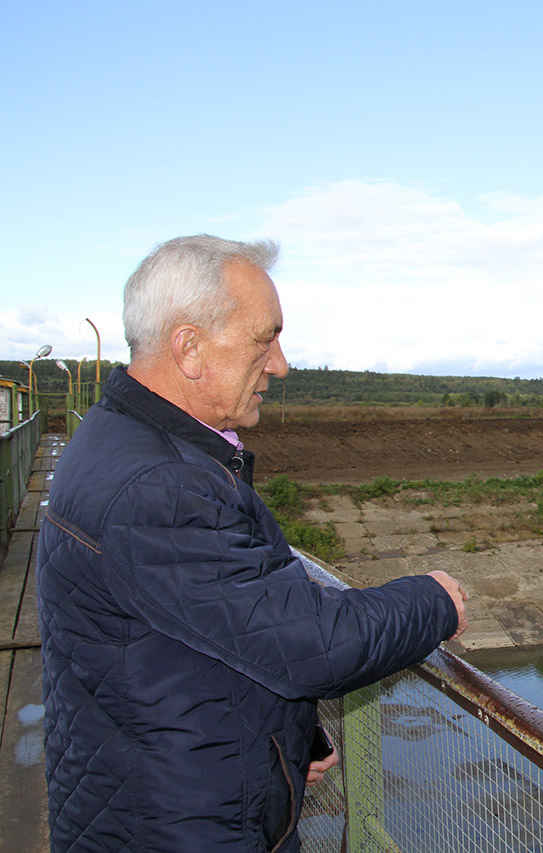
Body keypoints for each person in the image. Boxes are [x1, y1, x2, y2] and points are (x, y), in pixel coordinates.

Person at [37, 235, 468, 852]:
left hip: (151, 802)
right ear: (189, 348)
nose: (281, 365)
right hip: (178, 830)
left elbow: (196, 638)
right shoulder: (161, 485)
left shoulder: (116, 439)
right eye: (265, 338)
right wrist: (434, 600)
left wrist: (290, 744)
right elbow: (315, 644)